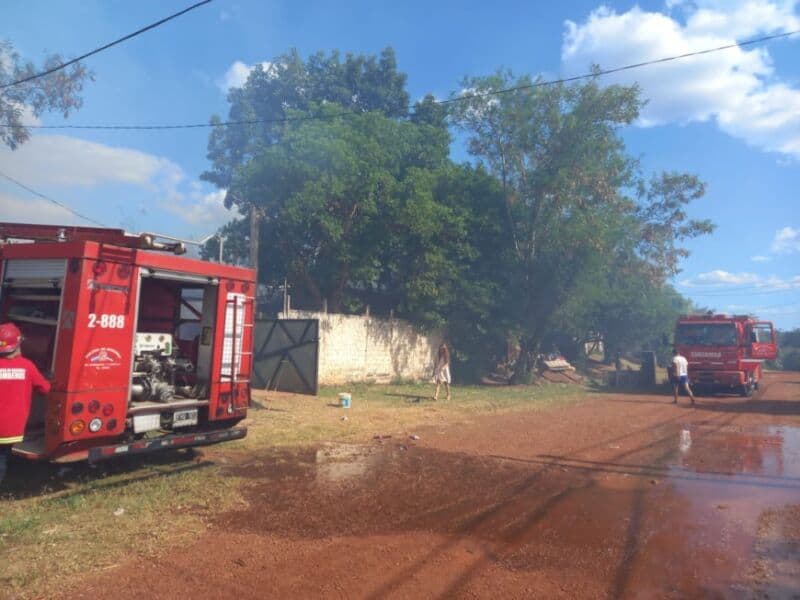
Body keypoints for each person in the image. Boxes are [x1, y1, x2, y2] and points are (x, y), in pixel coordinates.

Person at [0, 323, 51, 486]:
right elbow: (45, 389)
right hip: (10, 430)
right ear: (18, 345)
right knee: (1, 459)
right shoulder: (27, 366)